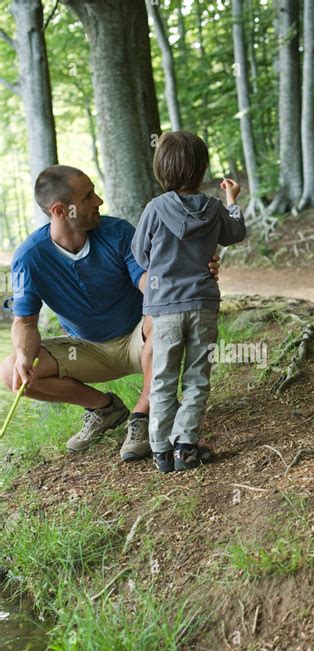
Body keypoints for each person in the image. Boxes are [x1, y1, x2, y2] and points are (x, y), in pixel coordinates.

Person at [0, 165, 220, 461]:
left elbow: (150, 283)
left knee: (164, 314)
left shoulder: (118, 232)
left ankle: (143, 414)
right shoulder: (28, 258)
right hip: (86, 350)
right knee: (11, 372)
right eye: (88, 196)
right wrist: (24, 355)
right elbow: (24, 321)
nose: (99, 200)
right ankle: (104, 409)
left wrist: (190, 271)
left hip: (140, 340)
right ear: (61, 210)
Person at [131, 131, 246, 473]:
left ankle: (161, 451)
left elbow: (140, 253)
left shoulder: (154, 209)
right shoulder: (213, 208)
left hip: (164, 309)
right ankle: (186, 447)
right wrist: (231, 198)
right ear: (201, 169)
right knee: (197, 376)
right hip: (202, 306)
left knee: (163, 378)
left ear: (161, 169)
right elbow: (235, 233)